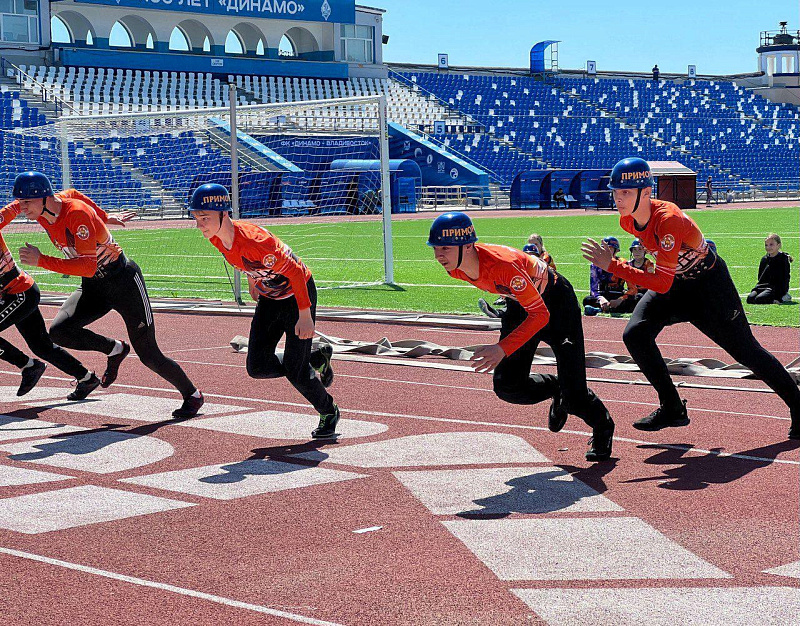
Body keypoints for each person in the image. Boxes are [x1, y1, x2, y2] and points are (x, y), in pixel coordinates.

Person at [581, 157, 800, 439]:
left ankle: (798, 405)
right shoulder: (627, 221)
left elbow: (661, 281)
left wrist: (614, 266)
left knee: (746, 351)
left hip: (708, 286)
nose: (618, 198)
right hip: (676, 285)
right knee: (635, 333)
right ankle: (672, 406)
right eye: (615, 192)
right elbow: (665, 279)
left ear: (646, 193)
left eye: (625, 192)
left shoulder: (668, 219)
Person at [12, 171, 204, 418]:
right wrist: (104, 216)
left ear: (44, 198)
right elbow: (73, 193)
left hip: (123, 282)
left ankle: (193, 395)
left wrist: (42, 260)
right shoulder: (48, 208)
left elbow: (87, 265)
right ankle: (114, 349)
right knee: (60, 331)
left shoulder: (76, 215)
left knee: (149, 354)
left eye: (26, 202)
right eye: (20, 202)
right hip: (94, 287)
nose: (21, 207)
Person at [430, 212, 615, 461]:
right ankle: (555, 388)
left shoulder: (502, 266)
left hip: (557, 305)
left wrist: (502, 348)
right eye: (436, 248)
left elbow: (540, 316)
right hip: (521, 304)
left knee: (576, 397)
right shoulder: (455, 268)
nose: (439, 255)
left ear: (466, 245)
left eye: (445, 247)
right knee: (507, 386)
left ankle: (602, 426)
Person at [188, 183, 338, 438]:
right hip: (269, 298)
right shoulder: (215, 238)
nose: (199, 224)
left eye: (205, 218)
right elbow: (240, 260)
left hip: (296, 295)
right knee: (257, 367)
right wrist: (253, 281)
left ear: (224, 214)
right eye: (196, 218)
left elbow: (296, 273)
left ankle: (329, 411)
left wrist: (305, 314)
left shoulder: (257, 241)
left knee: (297, 372)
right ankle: (314, 357)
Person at [0, 196, 101, 400]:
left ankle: (28, 365)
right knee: (41, 346)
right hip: (16, 294)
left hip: (20, 292)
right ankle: (86, 378)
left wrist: (31, 200)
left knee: (40, 345)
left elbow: (16, 205)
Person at [582, 236, 637, 315]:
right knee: (587, 300)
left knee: (634, 300)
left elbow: (632, 289)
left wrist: (620, 299)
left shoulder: (623, 264)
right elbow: (593, 288)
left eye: (610, 249)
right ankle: (605, 308)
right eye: (604, 249)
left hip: (618, 295)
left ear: (616, 250)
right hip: (603, 295)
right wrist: (601, 299)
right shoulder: (595, 264)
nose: (607, 251)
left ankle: (599, 310)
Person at [747, 233, 793, 305]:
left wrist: (779, 295)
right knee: (750, 299)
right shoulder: (764, 259)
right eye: (766, 245)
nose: (768, 247)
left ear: (778, 245)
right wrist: (758, 287)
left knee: (759, 299)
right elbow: (760, 277)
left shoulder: (783, 259)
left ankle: (783, 297)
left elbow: (785, 278)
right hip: (762, 286)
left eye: (771, 244)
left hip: (775, 288)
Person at [624, 237, 655, 305]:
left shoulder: (649, 263)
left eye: (640, 249)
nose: (637, 252)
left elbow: (648, 280)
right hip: (631, 292)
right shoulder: (628, 264)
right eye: (634, 249)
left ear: (645, 251)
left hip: (645, 292)